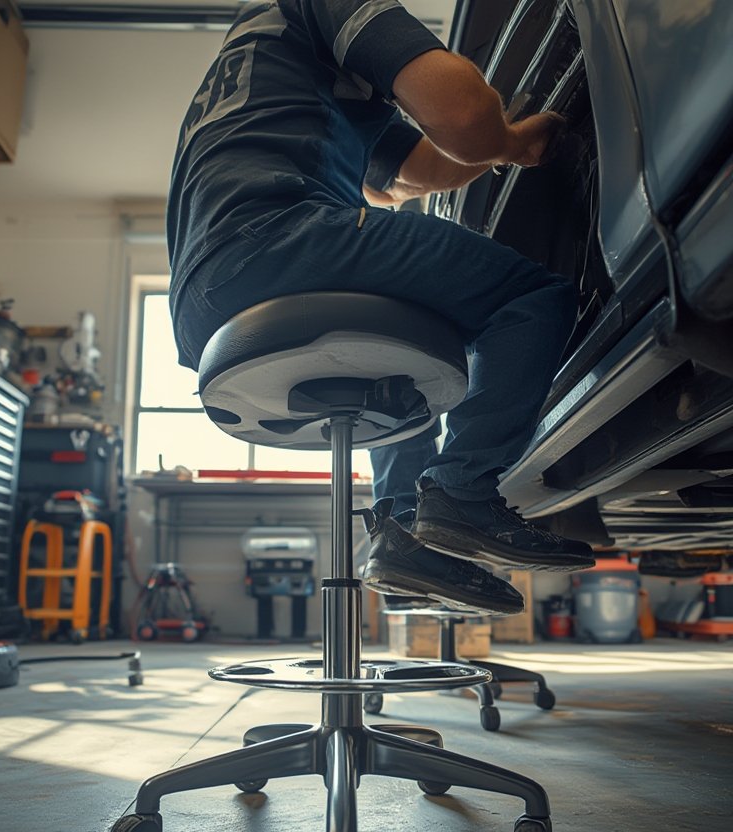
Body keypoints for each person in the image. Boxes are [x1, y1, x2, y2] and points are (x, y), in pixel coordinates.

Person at [167, 0, 595, 615]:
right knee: (533, 297)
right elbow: (465, 114)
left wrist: (501, 149)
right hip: (281, 233)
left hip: (204, 300)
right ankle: (463, 491)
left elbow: (402, 178)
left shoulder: (263, 62)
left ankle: (400, 535)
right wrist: (503, 137)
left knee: (404, 354)